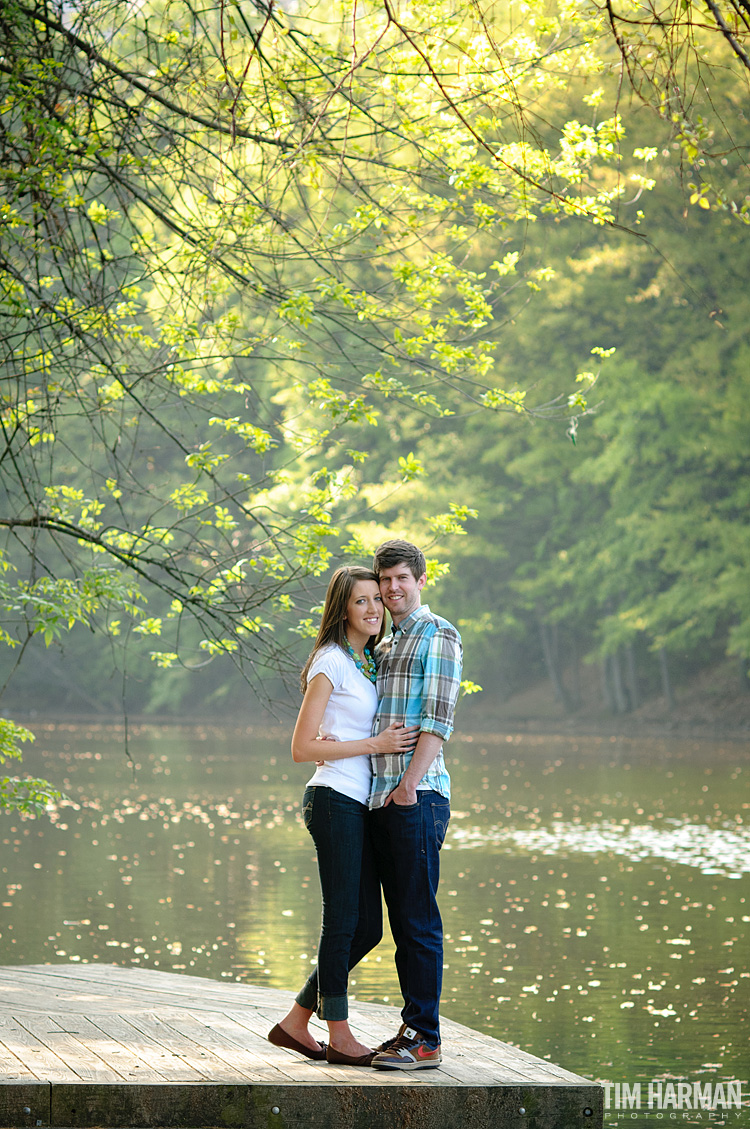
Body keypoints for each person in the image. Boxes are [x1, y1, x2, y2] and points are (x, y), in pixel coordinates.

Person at [268, 565, 419, 1066]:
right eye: (362, 601)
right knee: (343, 920)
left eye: (378, 598)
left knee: (368, 928)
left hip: (360, 803)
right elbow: (300, 747)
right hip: (333, 800)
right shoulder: (330, 662)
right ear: (342, 608)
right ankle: (338, 1032)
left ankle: (295, 1021)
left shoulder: (369, 659)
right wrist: (371, 745)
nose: (375, 608)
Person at [367, 539, 462, 1071]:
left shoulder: (438, 633)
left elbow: (439, 719)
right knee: (400, 923)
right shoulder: (384, 644)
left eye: (402, 578)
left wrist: (408, 786)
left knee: (418, 920)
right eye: (385, 581)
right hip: (379, 798)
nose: (393, 588)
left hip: (416, 797)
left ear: (421, 579)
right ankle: (411, 1028)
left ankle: (425, 1038)